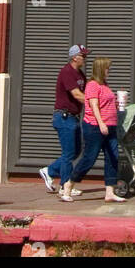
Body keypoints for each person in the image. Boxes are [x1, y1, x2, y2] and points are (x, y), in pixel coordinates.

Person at [60, 56, 125, 202]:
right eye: (107, 68)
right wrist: (101, 123)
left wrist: (117, 105)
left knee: (112, 157)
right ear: (101, 69)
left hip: (111, 126)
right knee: (89, 158)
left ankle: (110, 192)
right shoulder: (92, 85)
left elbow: (105, 104)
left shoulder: (105, 85)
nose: (109, 70)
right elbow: (94, 105)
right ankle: (69, 184)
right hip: (95, 127)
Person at [39, 45, 88, 196]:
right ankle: (65, 185)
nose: (85, 59)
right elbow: (77, 94)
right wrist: (95, 103)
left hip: (74, 117)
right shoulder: (67, 72)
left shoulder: (80, 74)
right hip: (64, 117)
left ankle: (50, 171)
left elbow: (85, 92)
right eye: (83, 56)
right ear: (75, 57)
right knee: (68, 153)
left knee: (76, 151)